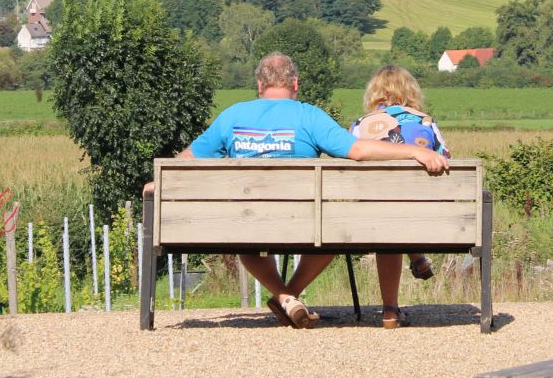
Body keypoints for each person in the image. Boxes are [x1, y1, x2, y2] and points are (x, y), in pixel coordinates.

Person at [173, 52, 448, 328]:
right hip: (303, 224)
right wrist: (413, 151)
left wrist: (159, 182)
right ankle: (288, 295)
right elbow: (358, 150)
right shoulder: (310, 116)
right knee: (333, 232)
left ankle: (284, 296)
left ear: (259, 85)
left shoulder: (231, 116)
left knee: (247, 241)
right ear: (295, 83)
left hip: (249, 222)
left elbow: (189, 158)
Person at [350, 65, 449, 328]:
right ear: (411, 91)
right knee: (399, 211)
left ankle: (390, 310)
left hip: (374, 214)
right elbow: (445, 159)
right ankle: (416, 257)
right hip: (421, 213)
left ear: (374, 93)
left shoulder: (360, 126)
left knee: (387, 216)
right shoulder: (426, 122)